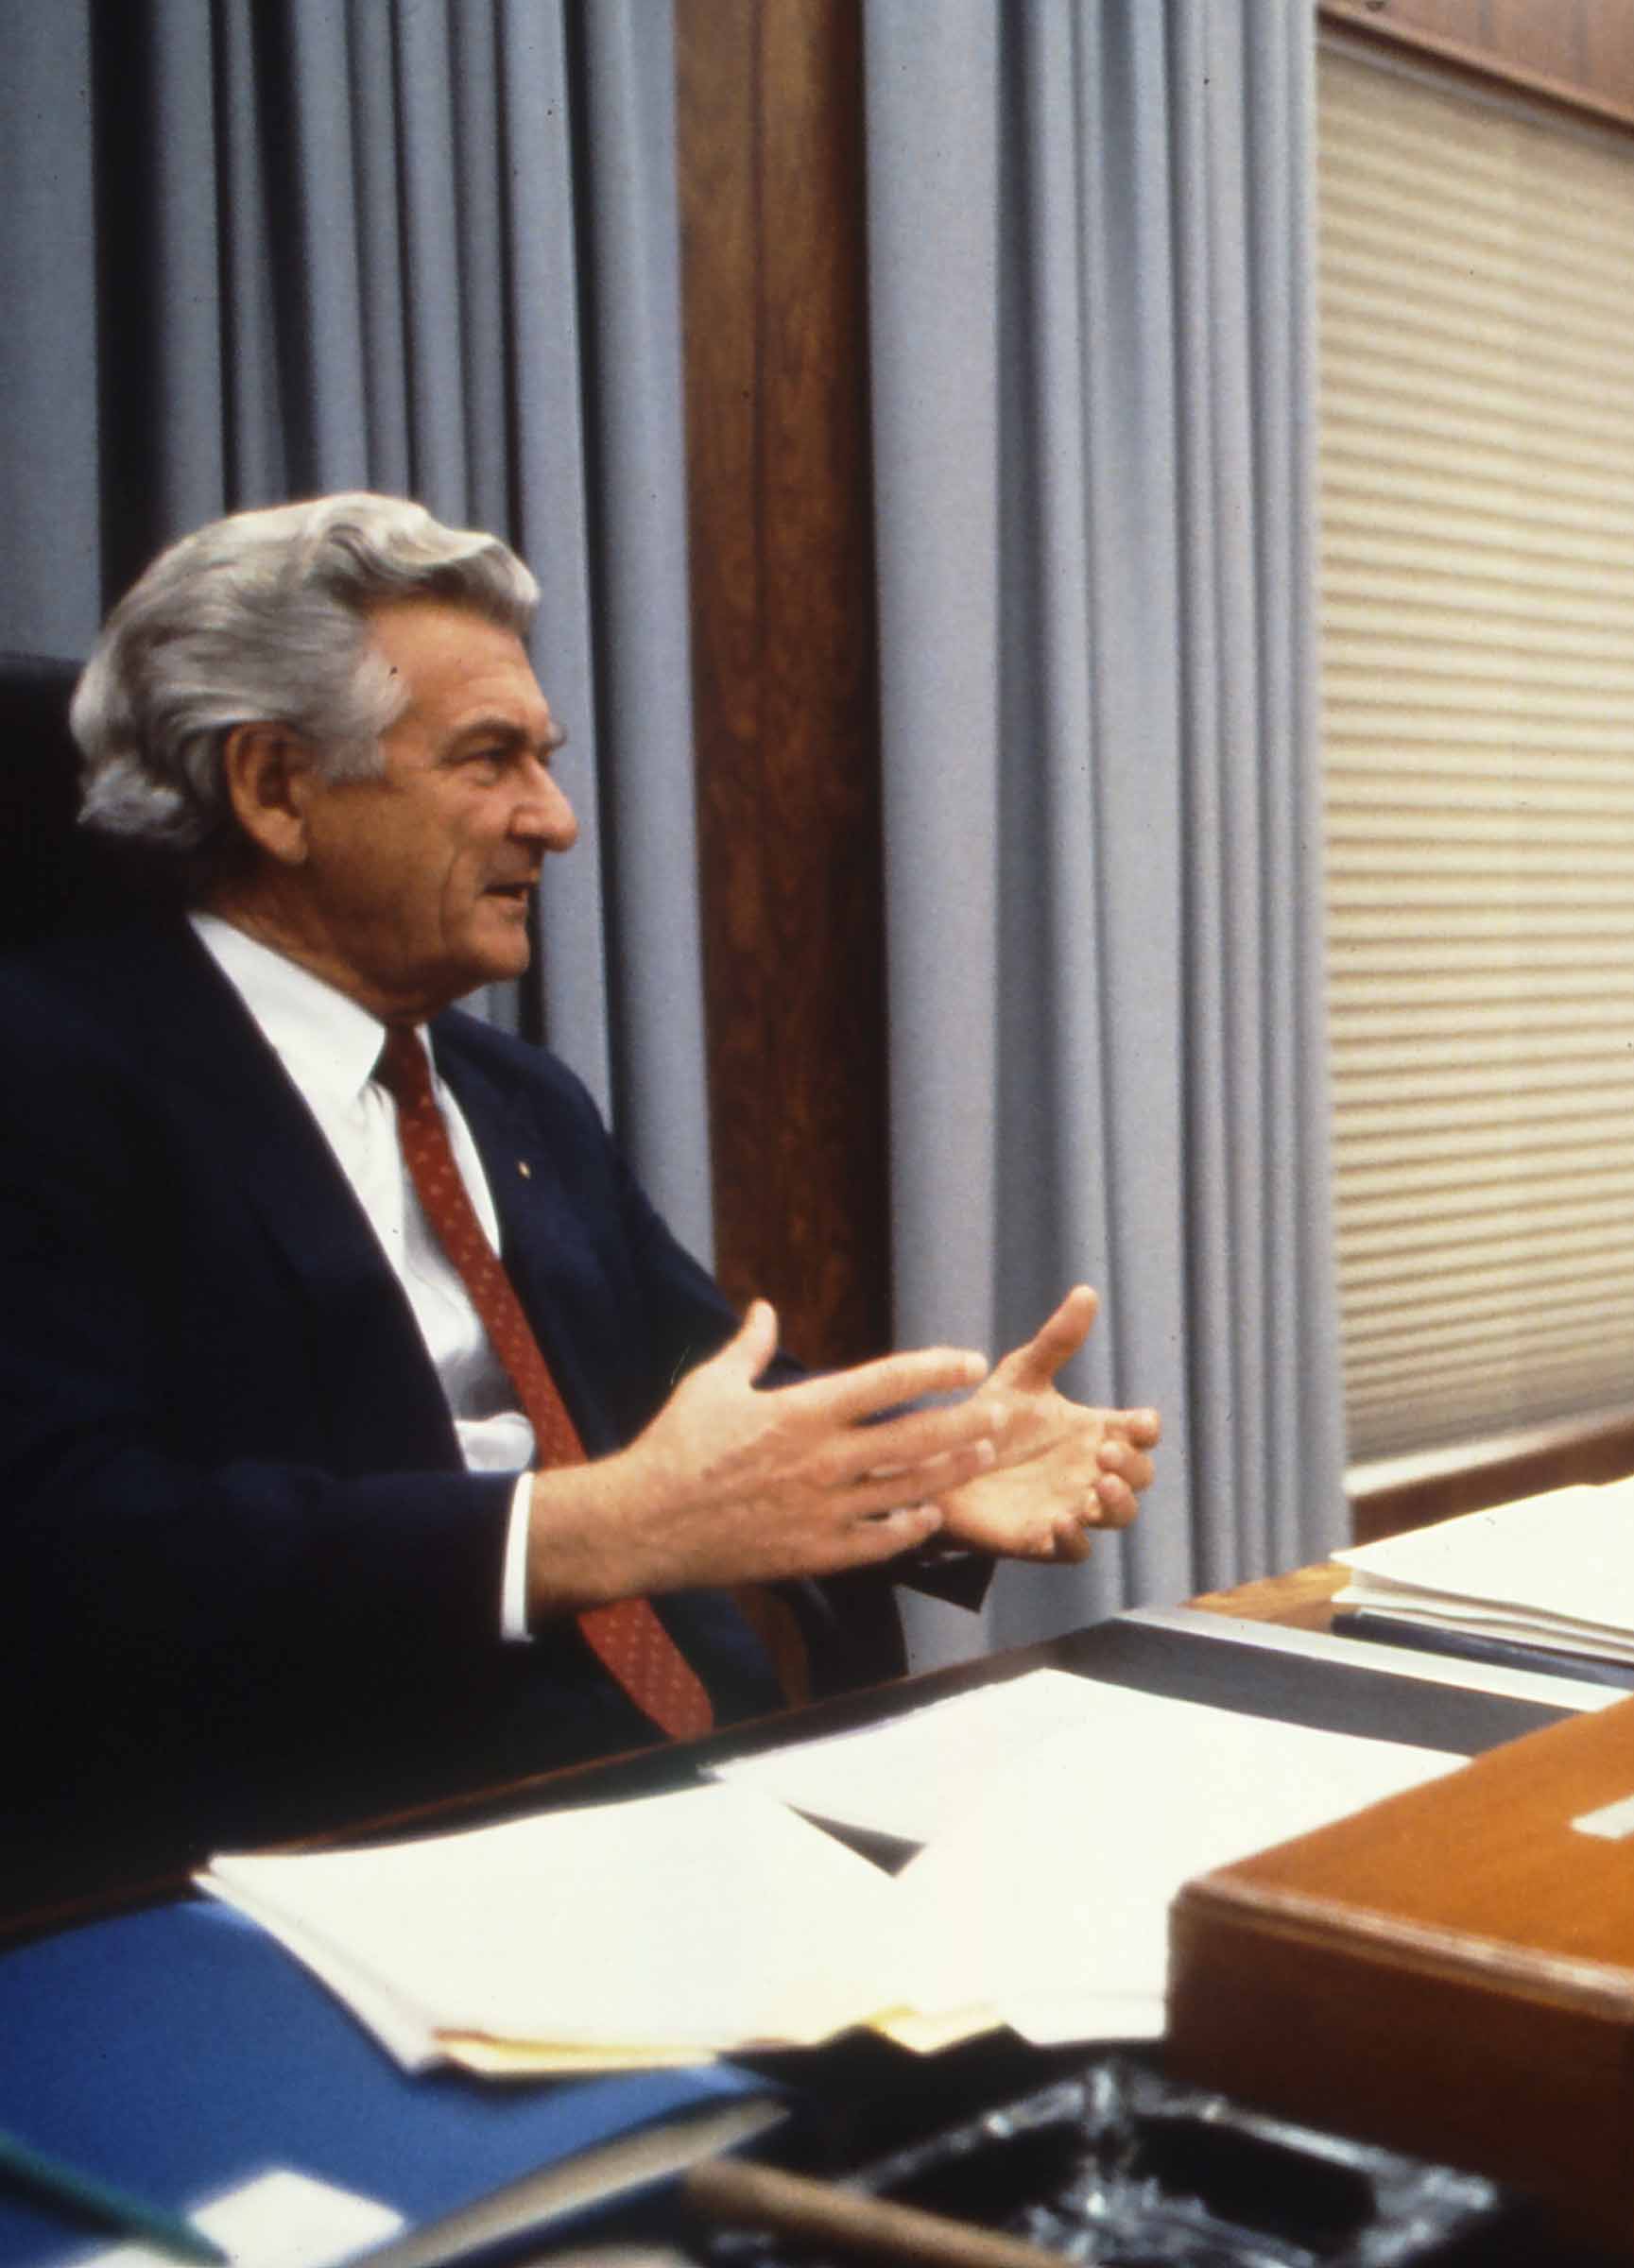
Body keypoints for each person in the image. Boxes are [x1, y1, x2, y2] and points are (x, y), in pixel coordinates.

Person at [0, 494, 1163, 1899]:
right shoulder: (52, 1074)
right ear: (276, 788)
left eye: (544, 763)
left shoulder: (516, 1096)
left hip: (713, 1796)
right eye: (488, 760)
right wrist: (594, 1531)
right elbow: (72, 1546)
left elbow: (713, 1395)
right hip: (350, 1854)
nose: (553, 822)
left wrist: (939, 1462)